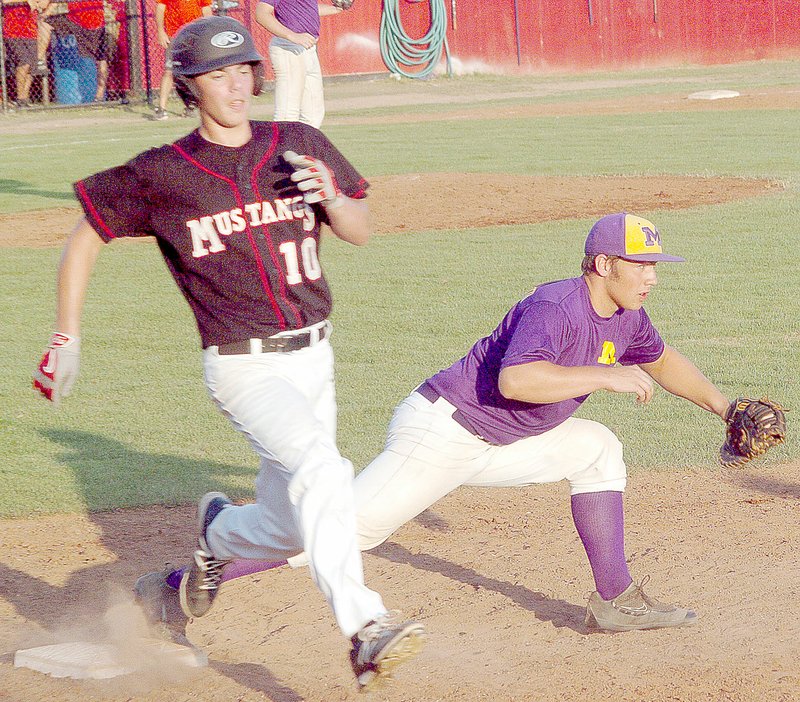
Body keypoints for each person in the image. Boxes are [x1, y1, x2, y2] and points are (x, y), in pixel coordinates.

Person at [32, 15, 424, 691]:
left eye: (243, 69)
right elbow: (86, 234)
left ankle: (219, 537)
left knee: (294, 524)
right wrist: (67, 332)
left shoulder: (295, 144)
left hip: (316, 360)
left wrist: (330, 197)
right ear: (191, 87)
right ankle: (366, 630)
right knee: (323, 469)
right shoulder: (164, 173)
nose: (237, 84)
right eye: (218, 74)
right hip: (245, 367)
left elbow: (359, 230)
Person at [145, 212, 737, 634]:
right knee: (346, 533)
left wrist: (726, 408)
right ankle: (202, 560)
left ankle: (617, 600)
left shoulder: (629, 316)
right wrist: (603, 377)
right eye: (642, 265)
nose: (653, 275)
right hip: (443, 432)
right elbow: (516, 381)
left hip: (508, 442)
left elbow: (663, 362)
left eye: (655, 265)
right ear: (604, 264)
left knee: (598, 448)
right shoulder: (557, 305)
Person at [254, 0, 347, 128]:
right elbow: (261, 13)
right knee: (287, 114)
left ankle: (302, 148)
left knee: (314, 115)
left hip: (308, 48)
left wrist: (336, 9)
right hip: (288, 48)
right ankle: (281, 147)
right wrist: (292, 35)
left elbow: (307, 9)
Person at [152, 0, 212, 120]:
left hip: (195, 35)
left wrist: (208, 32)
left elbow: (206, 9)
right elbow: (160, 8)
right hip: (174, 34)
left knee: (197, 72)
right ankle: (161, 109)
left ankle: (192, 106)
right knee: (169, 71)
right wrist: (160, 31)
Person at [1, 0, 52, 106]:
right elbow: (6, 1)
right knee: (24, 63)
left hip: (31, 31)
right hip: (13, 31)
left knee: (31, 67)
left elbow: (44, 4)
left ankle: (24, 98)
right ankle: (20, 97)